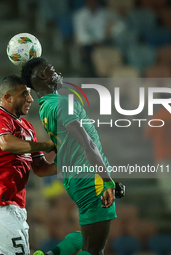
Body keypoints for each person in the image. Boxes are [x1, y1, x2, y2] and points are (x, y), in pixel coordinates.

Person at [21, 57, 122, 255]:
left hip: (76, 180)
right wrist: (107, 182)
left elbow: (67, 152)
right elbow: (87, 143)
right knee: (93, 250)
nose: (56, 71)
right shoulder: (61, 104)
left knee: (85, 241)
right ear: (43, 75)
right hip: (92, 180)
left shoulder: (45, 108)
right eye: (51, 69)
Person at [0, 74, 59, 255]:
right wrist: (46, 145)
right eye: (24, 94)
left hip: (17, 207)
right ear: (7, 97)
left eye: (30, 94)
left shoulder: (28, 127)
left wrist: (67, 164)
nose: (30, 99)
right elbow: (7, 144)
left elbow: (40, 168)